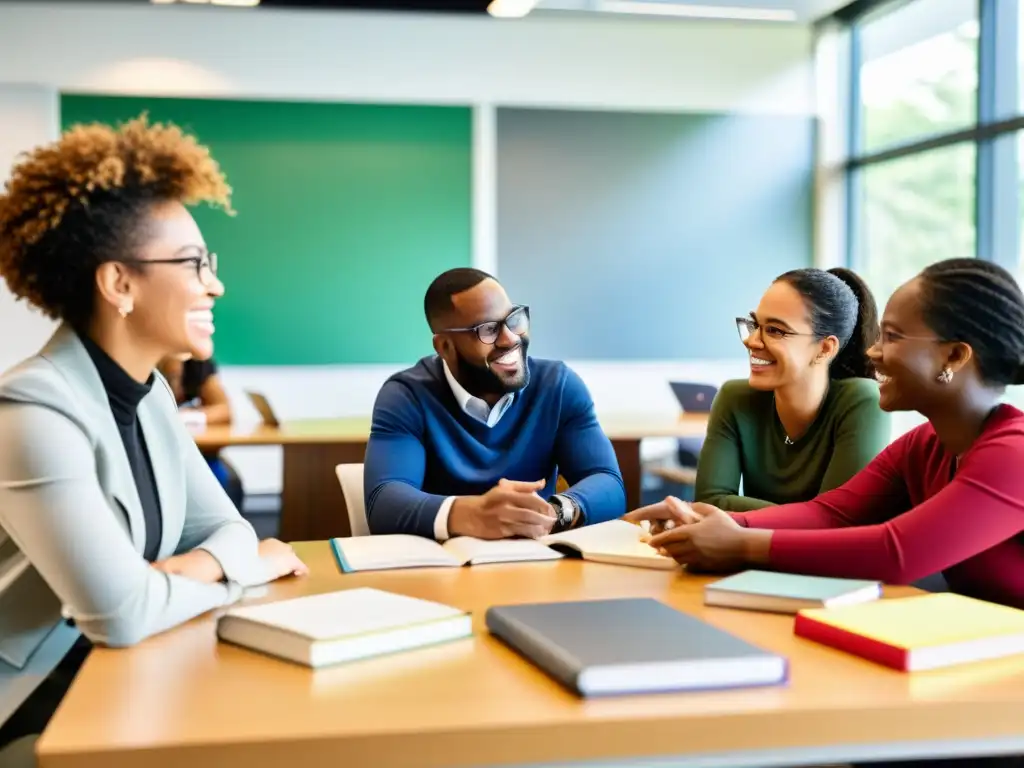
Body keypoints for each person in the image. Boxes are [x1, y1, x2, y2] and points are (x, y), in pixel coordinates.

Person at [0, 115, 308, 757]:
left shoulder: (152, 394)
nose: (215, 284)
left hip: (123, 668)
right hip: (33, 699)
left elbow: (233, 530)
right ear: (119, 283)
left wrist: (188, 568)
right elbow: (120, 614)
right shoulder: (32, 408)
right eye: (195, 264)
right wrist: (240, 574)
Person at [627, 258, 1024, 615]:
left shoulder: (1013, 453)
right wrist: (712, 520)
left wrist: (739, 544)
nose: (872, 351)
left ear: (954, 356)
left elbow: (897, 552)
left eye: (893, 337)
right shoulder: (923, 446)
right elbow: (832, 514)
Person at [363, 268, 626, 540]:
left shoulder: (558, 387)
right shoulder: (407, 396)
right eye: (487, 330)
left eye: (513, 320)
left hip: (536, 567)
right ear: (445, 347)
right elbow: (383, 502)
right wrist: (471, 515)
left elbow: (608, 484)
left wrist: (553, 513)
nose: (510, 338)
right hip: (440, 571)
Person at [694, 267, 890, 511]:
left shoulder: (863, 400)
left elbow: (837, 521)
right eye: (755, 324)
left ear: (825, 349)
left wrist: (737, 513)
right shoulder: (735, 399)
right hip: (749, 550)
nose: (751, 340)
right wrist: (807, 517)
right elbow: (709, 502)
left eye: (775, 330)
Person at [158, 353, 245, 508]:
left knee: (225, 480)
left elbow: (225, 410)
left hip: (196, 450)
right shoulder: (142, 361)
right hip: (157, 451)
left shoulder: (197, 363)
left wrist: (190, 416)